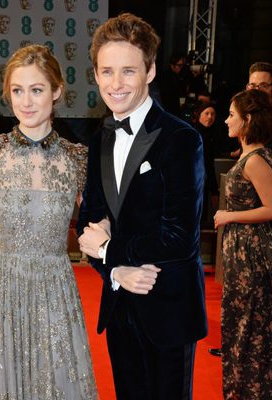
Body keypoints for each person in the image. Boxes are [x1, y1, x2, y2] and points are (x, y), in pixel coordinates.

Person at [0, 44, 97, 400]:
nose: (25, 102)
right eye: (17, 90)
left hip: (55, 292)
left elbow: (97, 227)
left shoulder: (77, 160)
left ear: (57, 91)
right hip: (1, 293)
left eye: (37, 89)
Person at [77, 13, 207, 400]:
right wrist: (116, 270)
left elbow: (181, 237)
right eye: (106, 71)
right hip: (119, 303)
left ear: (150, 71)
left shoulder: (181, 139)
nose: (115, 84)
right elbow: (88, 222)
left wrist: (107, 250)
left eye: (128, 71)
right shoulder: (100, 138)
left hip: (167, 308)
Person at [213, 89, 272, 400]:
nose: (226, 120)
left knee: (249, 331)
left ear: (247, 120)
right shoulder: (250, 156)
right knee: (241, 329)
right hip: (243, 259)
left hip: (252, 260)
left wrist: (229, 216)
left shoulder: (255, 160)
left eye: (231, 115)